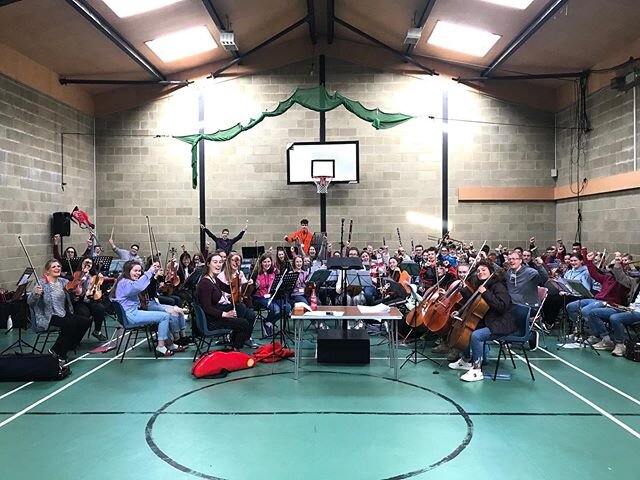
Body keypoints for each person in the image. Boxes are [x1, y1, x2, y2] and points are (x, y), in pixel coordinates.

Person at [448, 261, 515, 382]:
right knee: (467, 330)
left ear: (491, 271)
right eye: (478, 271)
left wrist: (485, 292)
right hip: (490, 320)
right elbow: (476, 303)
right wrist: (464, 293)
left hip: (501, 323)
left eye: (484, 270)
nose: (480, 272)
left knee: (476, 335)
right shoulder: (484, 284)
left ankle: (477, 370)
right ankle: (467, 359)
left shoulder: (498, 286)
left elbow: (501, 307)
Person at [112, 260, 181, 356]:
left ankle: (170, 344)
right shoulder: (126, 283)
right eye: (135, 271)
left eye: (139, 271)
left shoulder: (123, 281)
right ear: (128, 271)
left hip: (131, 313)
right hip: (131, 316)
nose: (138, 273)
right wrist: (151, 271)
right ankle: (161, 346)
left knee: (162, 318)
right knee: (164, 317)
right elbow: (138, 287)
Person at [27, 259, 91, 361]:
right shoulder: (41, 283)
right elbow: (30, 302)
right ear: (47, 271)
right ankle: (60, 353)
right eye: (54, 267)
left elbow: (73, 291)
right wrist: (35, 294)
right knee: (70, 323)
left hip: (63, 313)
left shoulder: (63, 282)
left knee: (85, 321)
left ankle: (66, 346)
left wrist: (78, 290)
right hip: (48, 316)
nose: (57, 268)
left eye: (59, 266)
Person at [565, 251, 631, 342]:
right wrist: (588, 261)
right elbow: (594, 274)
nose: (611, 270)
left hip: (610, 303)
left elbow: (621, 275)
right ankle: (581, 330)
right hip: (597, 299)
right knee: (571, 306)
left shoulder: (624, 281)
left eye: (613, 268)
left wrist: (619, 264)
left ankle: (601, 335)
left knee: (586, 310)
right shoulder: (608, 277)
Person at [197, 253, 253, 349]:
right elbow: (207, 308)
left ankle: (233, 339)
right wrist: (225, 314)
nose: (218, 265)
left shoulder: (214, 279)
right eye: (215, 262)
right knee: (244, 324)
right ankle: (235, 347)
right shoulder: (205, 283)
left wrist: (239, 280)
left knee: (241, 307)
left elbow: (229, 289)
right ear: (208, 264)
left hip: (215, 314)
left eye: (220, 262)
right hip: (211, 320)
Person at [217, 252, 258, 348]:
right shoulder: (222, 276)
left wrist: (249, 284)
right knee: (242, 309)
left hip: (238, 302)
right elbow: (222, 295)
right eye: (234, 260)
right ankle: (234, 337)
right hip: (226, 304)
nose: (236, 263)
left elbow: (244, 291)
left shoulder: (240, 274)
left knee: (251, 315)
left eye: (238, 261)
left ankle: (246, 338)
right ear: (229, 261)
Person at [69, 256, 108, 341]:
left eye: (90, 263)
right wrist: (81, 280)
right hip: (79, 301)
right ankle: (76, 338)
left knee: (100, 308)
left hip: (90, 299)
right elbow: (72, 291)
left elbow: (102, 289)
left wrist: (101, 281)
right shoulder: (75, 274)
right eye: (86, 262)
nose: (88, 264)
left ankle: (97, 331)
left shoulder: (94, 275)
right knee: (84, 314)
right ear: (82, 263)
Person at [252, 254, 291, 336]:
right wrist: (255, 286)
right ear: (261, 263)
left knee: (287, 308)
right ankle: (268, 322)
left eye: (268, 261)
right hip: (260, 297)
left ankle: (268, 322)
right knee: (275, 309)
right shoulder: (256, 274)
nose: (267, 264)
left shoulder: (274, 272)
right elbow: (250, 291)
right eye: (264, 262)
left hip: (272, 296)